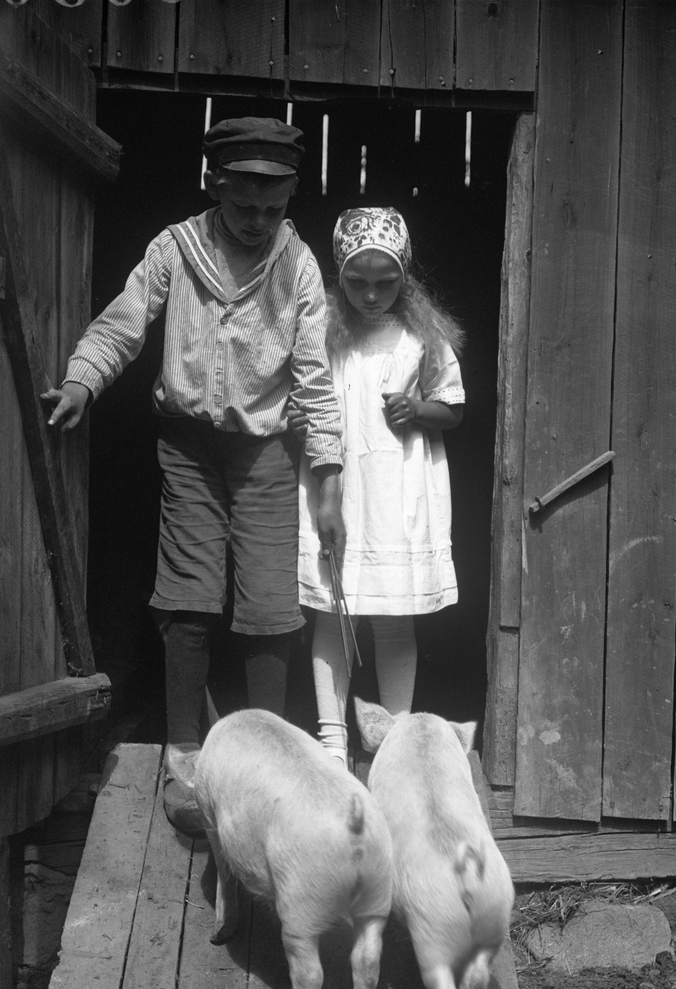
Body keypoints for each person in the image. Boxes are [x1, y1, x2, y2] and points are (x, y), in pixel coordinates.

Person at [44, 116, 345, 831]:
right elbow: (124, 324)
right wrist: (84, 379)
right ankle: (186, 762)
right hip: (187, 449)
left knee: (270, 605)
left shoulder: (298, 268)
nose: (258, 222)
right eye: (244, 206)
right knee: (188, 599)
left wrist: (327, 475)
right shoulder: (173, 251)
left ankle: (267, 764)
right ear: (214, 185)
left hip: (268, 455)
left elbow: (313, 379)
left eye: (274, 210)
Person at [296, 207, 464, 764]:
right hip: (339, 489)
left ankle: (392, 739)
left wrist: (419, 409)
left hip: (397, 489)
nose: (371, 296)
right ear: (338, 275)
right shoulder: (322, 329)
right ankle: (333, 741)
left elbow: (454, 408)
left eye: (386, 284)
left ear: (405, 278)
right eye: (357, 282)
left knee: (394, 616)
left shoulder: (421, 335)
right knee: (334, 611)